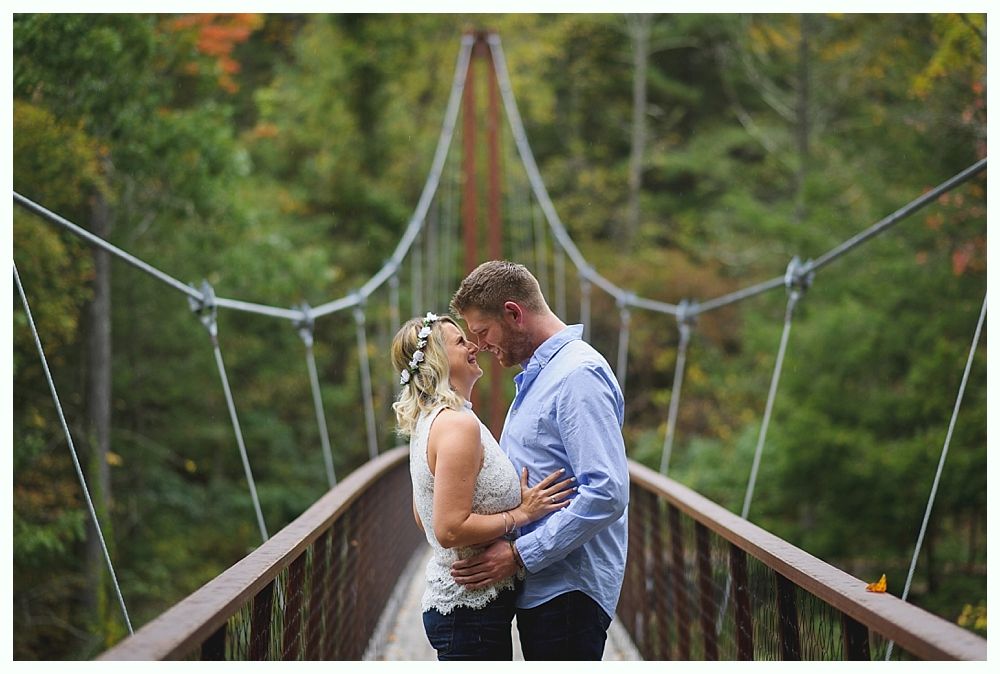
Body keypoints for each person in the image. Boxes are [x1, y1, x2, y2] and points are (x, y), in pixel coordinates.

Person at [448, 260, 629, 661]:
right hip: (547, 585)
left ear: (513, 313)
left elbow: (608, 492)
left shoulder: (577, 375)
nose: (477, 346)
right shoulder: (540, 376)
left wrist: (519, 555)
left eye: (482, 331)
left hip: (567, 589)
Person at [391, 311, 576, 660]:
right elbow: (447, 529)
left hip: (469, 611)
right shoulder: (458, 426)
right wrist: (520, 514)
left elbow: (423, 515)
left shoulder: (432, 422)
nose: (474, 346)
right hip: (469, 613)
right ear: (438, 359)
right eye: (461, 341)